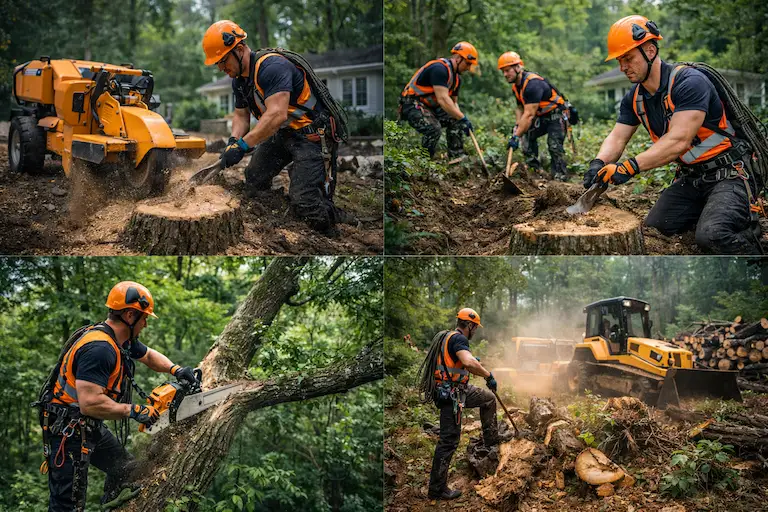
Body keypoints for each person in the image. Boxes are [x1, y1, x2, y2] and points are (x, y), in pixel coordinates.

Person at [584, 15, 762, 254]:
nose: (622, 67)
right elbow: (617, 137)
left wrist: (628, 167)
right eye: (619, 60)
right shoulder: (634, 98)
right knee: (656, 228)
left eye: (628, 58)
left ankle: (753, 250)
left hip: (730, 175)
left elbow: (679, 140)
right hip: (692, 178)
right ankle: (711, 211)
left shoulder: (689, 82)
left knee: (713, 235)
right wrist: (598, 162)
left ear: (650, 51)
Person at [38, 281, 199, 511]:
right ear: (130, 315)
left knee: (124, 469)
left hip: (88, 426)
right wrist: (133, 410)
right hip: (68, 431)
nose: (145, 324)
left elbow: (148, 355)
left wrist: (176, 369)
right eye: (144, 318)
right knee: (67, 505)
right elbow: (89, 404)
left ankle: (110, 506)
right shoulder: (100, 349)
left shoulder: (119, 340)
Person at [202, 20, 353, 234]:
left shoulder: (271, 67)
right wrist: (233, 141)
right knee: (254, 178)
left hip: (313, 136)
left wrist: (243, 146)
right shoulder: (239, 81)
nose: (221, 68)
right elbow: (241, 116)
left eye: (223, 60)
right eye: (217, 63)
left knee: (306, 204)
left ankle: (336, 221)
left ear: (240, 49)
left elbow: (276, 114)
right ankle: (277, 213)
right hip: (283, 133)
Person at [417, 308, 506, 501]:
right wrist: (488, 375)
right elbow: (468, 362)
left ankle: (491, 440)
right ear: (470, 325)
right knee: (449, 440)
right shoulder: (459, 339)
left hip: (456, 390)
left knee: (488, 398)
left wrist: (472, 362)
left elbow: (458, 361)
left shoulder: (446, 337)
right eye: (476, 328)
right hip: (451, 395)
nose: (476, 331)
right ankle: (437, 489)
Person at [399, 42, 478, 160]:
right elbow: (443, 99)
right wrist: (462, 118)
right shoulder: (439, 69)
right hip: (412, 104)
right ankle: (424, 161)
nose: (468, 68)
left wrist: (462, 120)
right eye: (467, 63)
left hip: (430, 107)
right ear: (458, 58)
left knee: (455, 118)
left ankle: (457, 155)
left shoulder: (456, 80)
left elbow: (453, 103)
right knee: (434, 128)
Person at [498, 51, 569, 180]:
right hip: (541, 117)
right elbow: (520, 108)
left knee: (554, 146)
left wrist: (516, 136)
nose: (505, 74)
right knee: (526, 135)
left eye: (507, 70)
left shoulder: (532, 84)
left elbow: (529, 115)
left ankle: (560, 177)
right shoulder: (516, 87)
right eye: (503, 71)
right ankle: (535, 170)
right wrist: (517, 127)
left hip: (556, 115)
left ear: (517, 68)